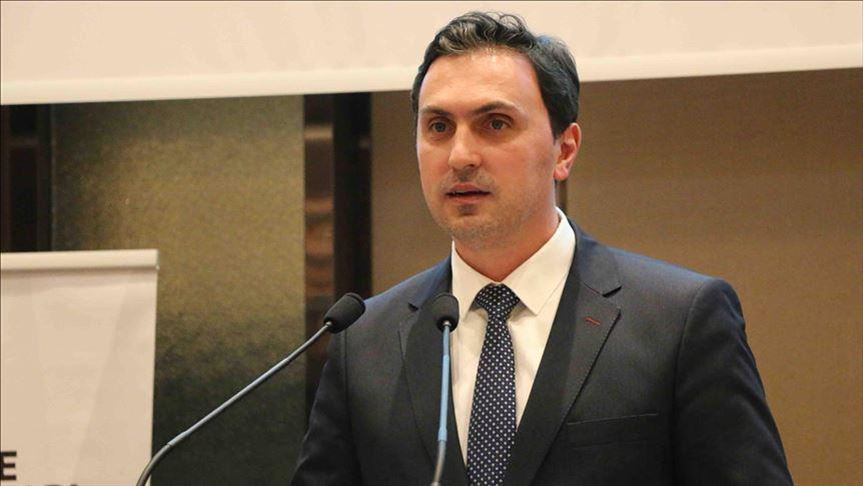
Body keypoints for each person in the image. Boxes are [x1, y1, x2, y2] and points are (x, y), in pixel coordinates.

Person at [293, 11, 792, 486]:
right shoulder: (363, 341)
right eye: (439, 127)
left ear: (564, 150)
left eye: (495, 123)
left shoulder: (680, 320)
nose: (461, 156)